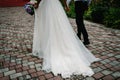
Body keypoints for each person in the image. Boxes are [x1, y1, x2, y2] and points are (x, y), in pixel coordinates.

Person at [31, 0, 99, 78]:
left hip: (48, 4)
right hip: (56, 5)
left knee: (49, 25)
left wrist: (37, 4)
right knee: (59, 25)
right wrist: (66, 5)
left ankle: (51, 44)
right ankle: (59, 43)